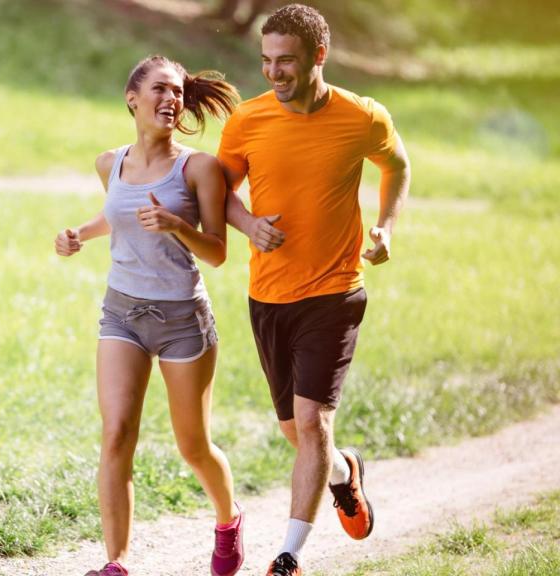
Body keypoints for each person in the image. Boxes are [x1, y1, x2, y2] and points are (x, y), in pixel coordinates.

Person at [218, 5, 412, 576]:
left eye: (286, 61)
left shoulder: (362, 116)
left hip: (335, 291)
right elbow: (219, 191)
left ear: (318, 56)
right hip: (268, 295)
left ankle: (289, 556)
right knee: (296, 430)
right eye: (266, 61)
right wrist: (248, 224)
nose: (274, 72)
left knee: (310, 422)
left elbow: (397, 166)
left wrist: (386, 227)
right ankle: (344, 473)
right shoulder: (248, 120)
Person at [56, 55, 243, 576]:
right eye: (161, 89)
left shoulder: (198, 168)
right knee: (116, 433)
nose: (172, 99)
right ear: (132, 98)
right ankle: (116, 563)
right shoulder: (108, 163)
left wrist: (176, 225)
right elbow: (119, 215)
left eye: (178, 91)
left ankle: (228, 518)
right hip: (122, 313)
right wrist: (79, 234)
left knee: (193, 446)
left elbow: (217, 252)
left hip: (183, 320)